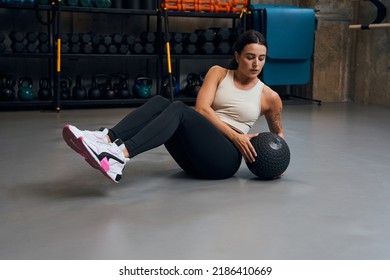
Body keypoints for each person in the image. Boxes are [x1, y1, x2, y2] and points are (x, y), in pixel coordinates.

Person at [62, 30, 285, 183]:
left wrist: (278, 163)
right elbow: (202, 110)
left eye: (262, 58)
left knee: (178, 108)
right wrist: (236, 136)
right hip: (194, 157)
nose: (256, 63)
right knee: (161, 102)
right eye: (250, 57)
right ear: (237, 56)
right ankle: (107, 139)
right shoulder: (218, 73)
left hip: (223, 161)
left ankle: (119, 156)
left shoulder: (269, 96)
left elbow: (278, 134)